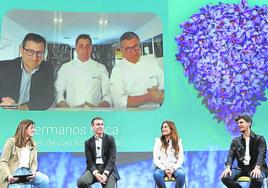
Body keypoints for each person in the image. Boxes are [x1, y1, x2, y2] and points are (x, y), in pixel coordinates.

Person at [0, 33, 54, 110]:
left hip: (31, 112)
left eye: (39, 53)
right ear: (21, 50)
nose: (35, 58)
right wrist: (6, 105)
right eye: (30, 51)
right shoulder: (3, 67)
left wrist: (23, 108)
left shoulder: (47, 68)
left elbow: (48, 98)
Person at [55, 34, 111, 108]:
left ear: (91, 48)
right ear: (76, 48)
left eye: (87, 46)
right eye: (81, 46)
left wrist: (98, 107)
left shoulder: (101, 68)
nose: (85, 50)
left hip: (94, 113)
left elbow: (108, 94)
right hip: (72, 114)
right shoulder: (66, 68)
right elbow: (58, 93)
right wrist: (68, 109)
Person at [110, 31, 164, 108]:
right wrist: (148, 97)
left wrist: (160, 94)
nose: (134, 52)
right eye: (128, 49)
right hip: (132, 117)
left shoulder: (152, 64)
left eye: (136, 47)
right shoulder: (117, 70)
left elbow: (166, 87)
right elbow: (119, 102)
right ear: (122, 50)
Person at [221, 114, 267, 188]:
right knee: (225, 177)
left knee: (257, 177)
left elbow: (261, 154)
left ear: (249, 124)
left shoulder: (259, 139)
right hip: (241, 168)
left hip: (256, 167)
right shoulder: (235, 141)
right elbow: (230, 155)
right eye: (238, 123)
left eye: (241, 122)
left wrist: (257, 167)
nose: (239, 124)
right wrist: (228, 167)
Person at [0, 119, 49, 188]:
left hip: (28, 172)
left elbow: (34, 163)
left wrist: (33, 172)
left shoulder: (33, 144)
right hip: (14, 173)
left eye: (34, 128)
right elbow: (3, 162)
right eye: (32, 128)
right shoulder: (11, 141)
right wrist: (8, 176)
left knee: (44, 180)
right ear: (24, 129)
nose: (34, 130)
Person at [77, 117, 120, 188]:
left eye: (102, 124)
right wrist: (96, 173)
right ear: (92, 127)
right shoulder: (88, 142)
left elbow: (112, 158)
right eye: (98, 124)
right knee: (81, 182)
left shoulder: (110, 139)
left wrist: (105, 174)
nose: (100, 126)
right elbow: (89, 161)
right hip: (94, 169)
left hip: (109, 170)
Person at [153, 120, 185, 188]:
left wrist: (173, 169)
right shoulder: (158, 141)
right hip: (162, 167)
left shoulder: (178, 142)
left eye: (165, 127)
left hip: (174, 167)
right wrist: (165, 169)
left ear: (171, 129)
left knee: (181, 174)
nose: (163, 129)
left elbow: (181, 158)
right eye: (162, 127)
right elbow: (155, 159)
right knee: (156, 174)